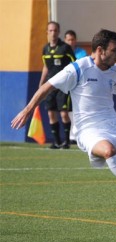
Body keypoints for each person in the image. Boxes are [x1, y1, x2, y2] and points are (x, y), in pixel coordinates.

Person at [11, 29, 116, 221]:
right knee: (108, 150)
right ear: (100, 50)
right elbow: (47, 86)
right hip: (88, 129)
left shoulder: (115, 70)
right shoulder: (78, 68)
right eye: (115, 50)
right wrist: (27, 110)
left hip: (113, 124)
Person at [40, 21, 75, 149]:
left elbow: (74, 64)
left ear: (59, 32)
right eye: (50, 30)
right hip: (50, 85)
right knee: (51, 113)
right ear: (47, 32)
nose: (53, 33)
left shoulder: (65, 47)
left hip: (64, 86)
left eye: (55, 30)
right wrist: (41, 83)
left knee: (64, 113)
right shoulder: (45, 49)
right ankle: (56, 142)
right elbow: (45, 67)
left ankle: (66, 142)